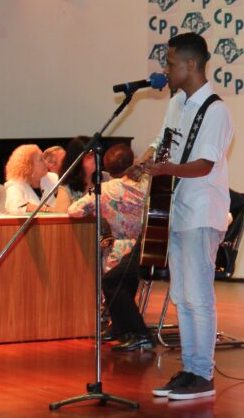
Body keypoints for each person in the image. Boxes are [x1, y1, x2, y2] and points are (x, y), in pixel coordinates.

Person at [140, 32, 233, 402]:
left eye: (170, 62)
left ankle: (203, 373)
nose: (166, 69)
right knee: (182, 295)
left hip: (202, 210)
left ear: (190, 65)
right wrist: (146, 159)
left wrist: (165, 170)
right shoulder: (177, 102)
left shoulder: (216, 109)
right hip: (177, 211)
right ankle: (191, 369)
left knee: (198, 296)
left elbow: (204, 163)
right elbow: (162, 139)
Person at [66, 143, 154, 351]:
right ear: (132, 161)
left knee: (112, 283)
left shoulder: (106, 190)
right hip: (147, 244)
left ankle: (135, 331)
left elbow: (74, 210)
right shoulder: (147, 183)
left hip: (120, 248)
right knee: (123, 287)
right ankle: (119, 327)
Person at [3, 144, 54, 214]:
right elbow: (14, 207)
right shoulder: (15, 184)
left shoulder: (53, 178)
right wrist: (47, 209)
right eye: (41, 159)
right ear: (29, 165)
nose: (45, 162)